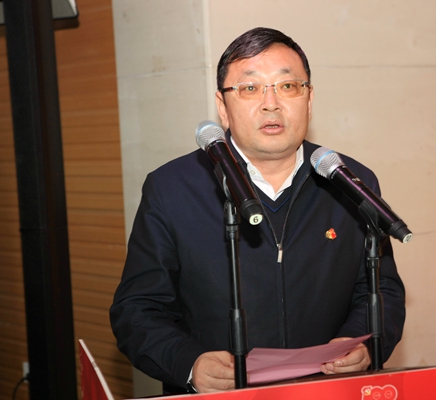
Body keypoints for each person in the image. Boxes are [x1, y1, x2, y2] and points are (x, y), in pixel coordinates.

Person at [110, 27, 406, 394]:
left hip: (324, 391)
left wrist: (362, 344)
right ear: (223, 107)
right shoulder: (172, 188)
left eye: (288, 86)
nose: (271, 103)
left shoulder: (350, 182)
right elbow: (137, 309)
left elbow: (382, 290)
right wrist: (189, 363)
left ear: (309, 99)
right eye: (250, 88)